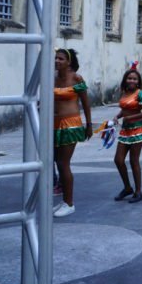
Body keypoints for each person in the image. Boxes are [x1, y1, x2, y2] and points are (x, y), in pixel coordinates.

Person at [53, 48, 92, 217]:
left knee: (63, 163)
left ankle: (69, 203)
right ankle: (64, 200)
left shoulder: (76, 78)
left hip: (71, 124)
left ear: (68, 62)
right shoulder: (53, 78)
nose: (57, 61)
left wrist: (89, 124)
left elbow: (85, 102)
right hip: (55, 124)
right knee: (56, 161)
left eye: (61, 59)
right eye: (56, 58)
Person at [113, 67, 142, 204]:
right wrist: (118, 116)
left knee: (134, 160)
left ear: (138, 81)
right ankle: (127, 188)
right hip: (125, 130)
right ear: (125, 79)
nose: (132, 80)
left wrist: (132, 117)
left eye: (134, 79)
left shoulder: (140, 94)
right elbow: (124, 109)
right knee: (118, 160)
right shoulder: (123, 92)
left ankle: (138, 191)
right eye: (129, 78)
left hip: (138, 129)